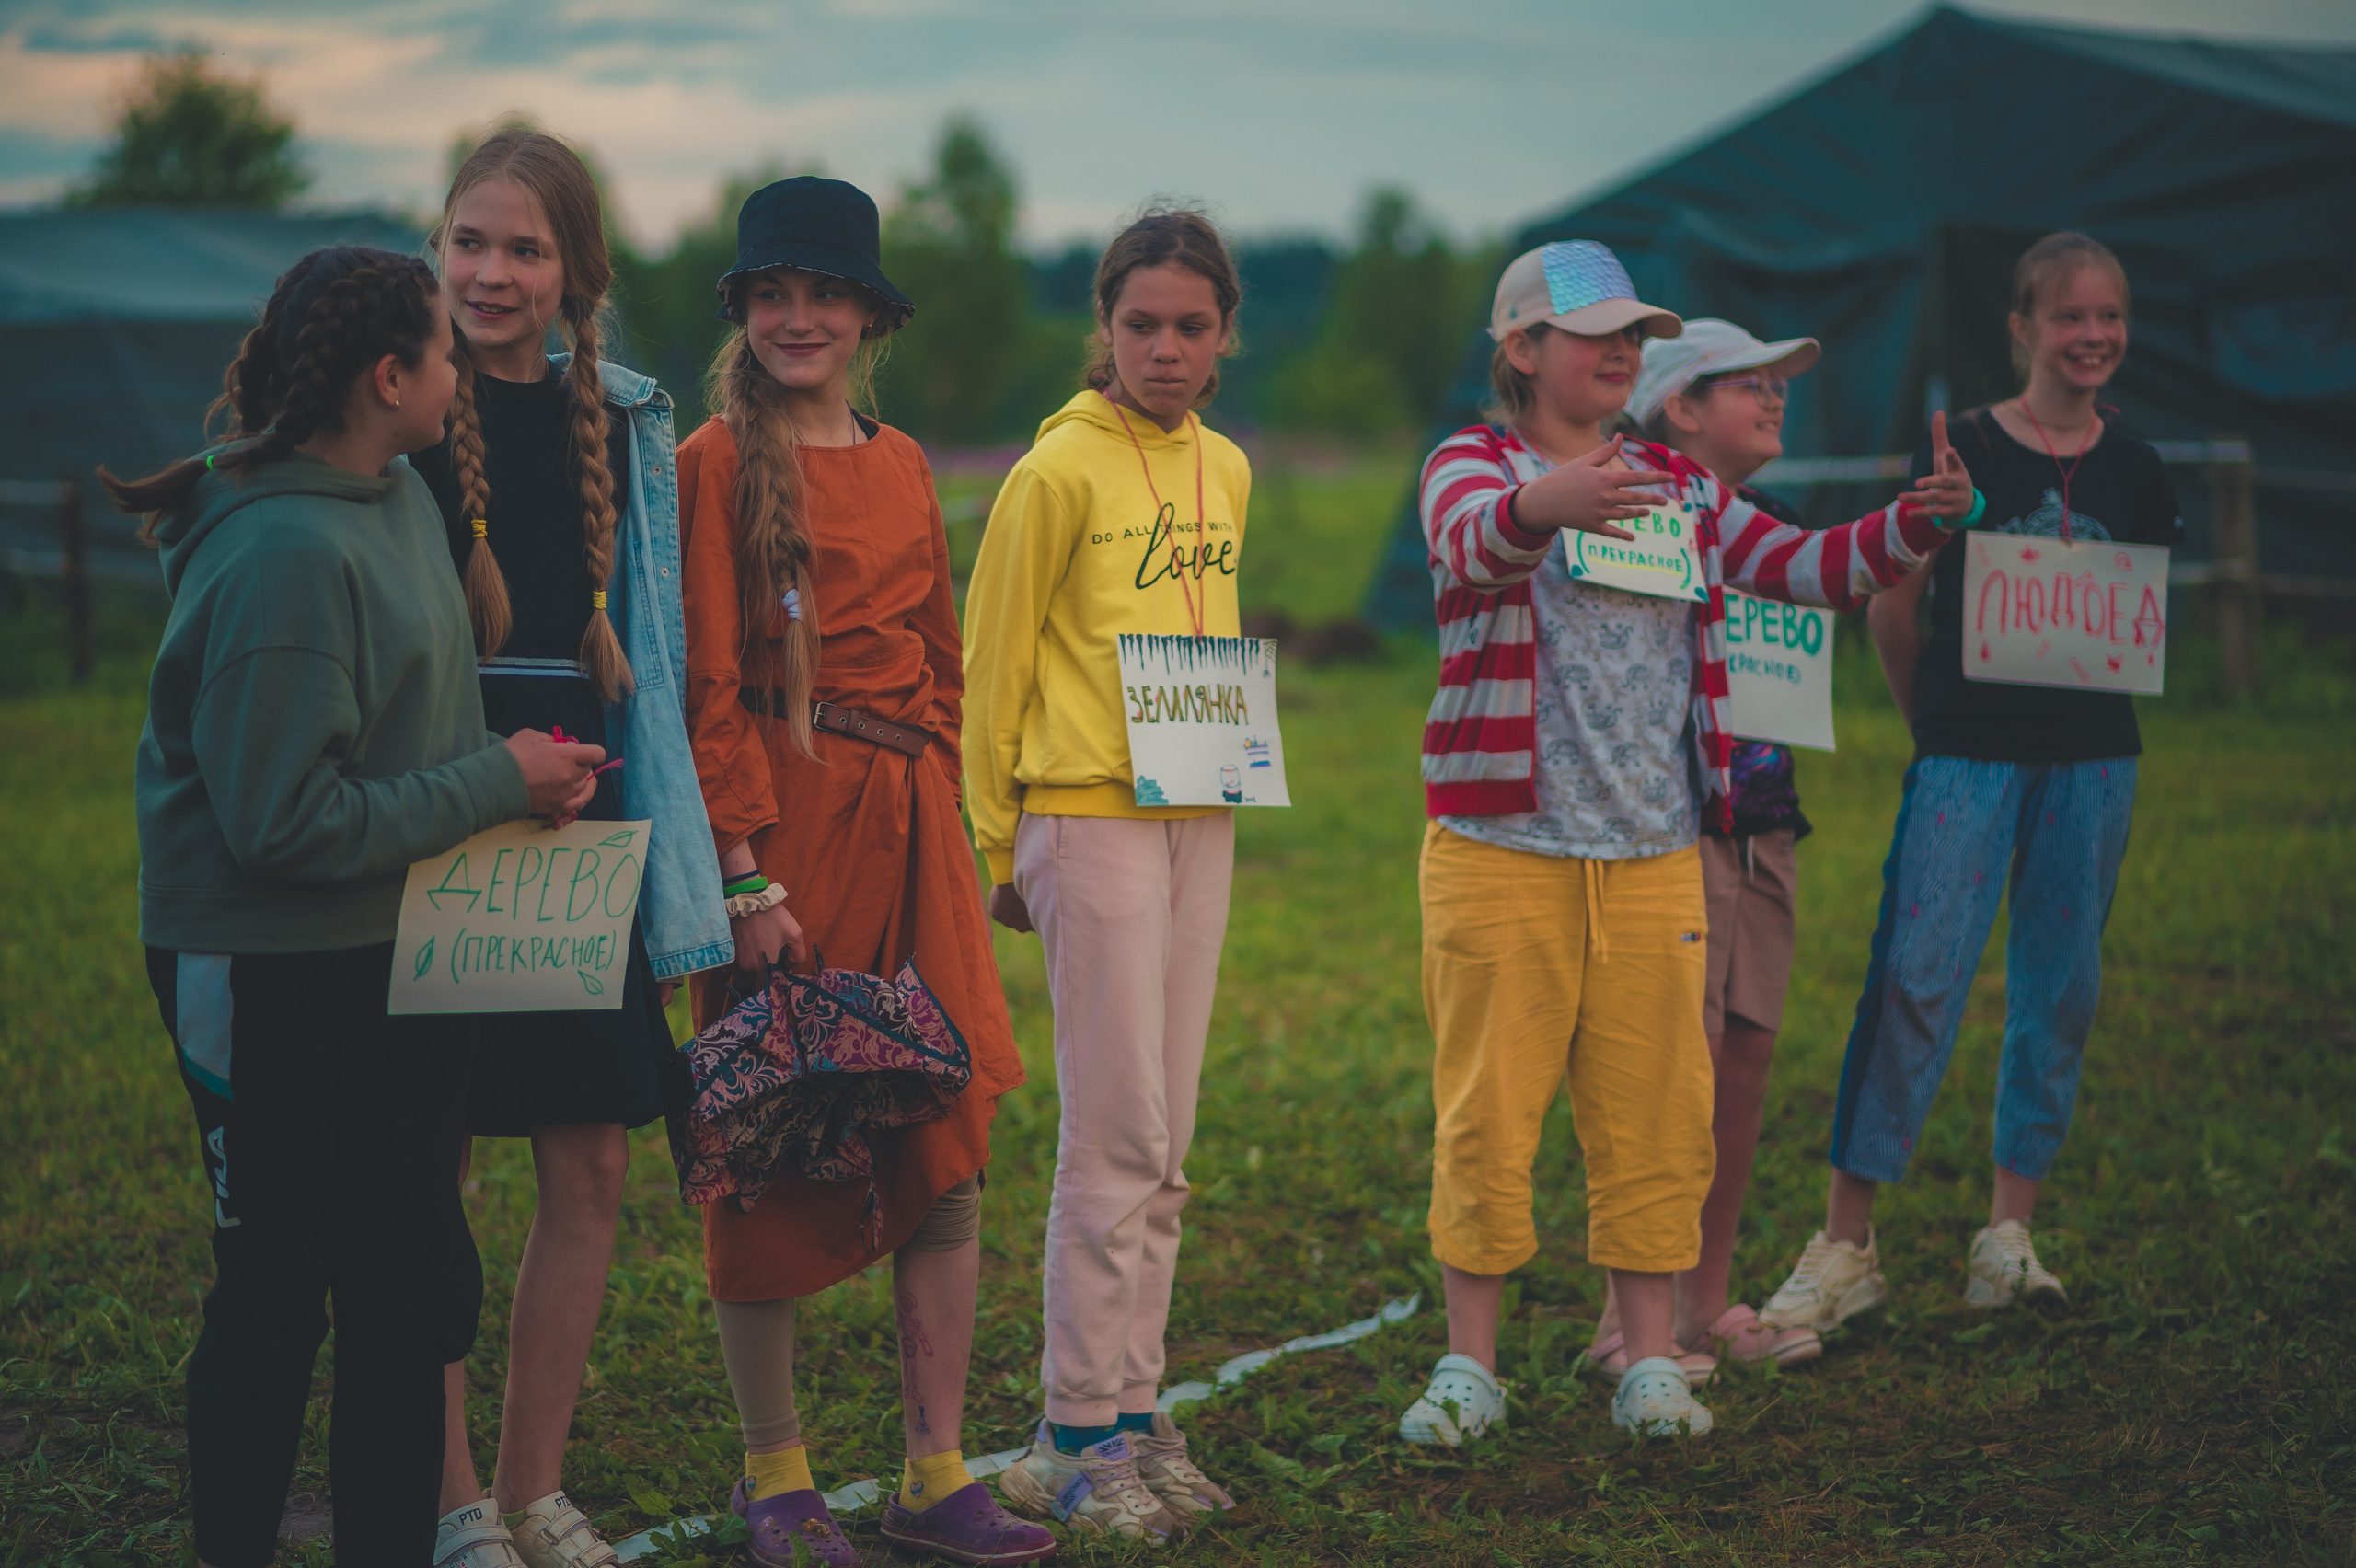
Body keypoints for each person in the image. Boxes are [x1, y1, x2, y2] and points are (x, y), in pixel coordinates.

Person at [1399, 241, 1979, 1447]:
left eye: (1634, 333)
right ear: (1521, 350)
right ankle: (1470, 1368)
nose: (1623, 350)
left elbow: (1807, 569)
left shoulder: (1681, 482)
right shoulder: (1471, 462)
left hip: (1659, 853)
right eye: (1596, 332)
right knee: (1487, 1115)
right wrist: (1541, 505)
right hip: (1500, 849)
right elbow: (1466, 543)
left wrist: (1912, 530)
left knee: (1659, 1113)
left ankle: (1652, 1360)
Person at [110, 245, 605, 1568]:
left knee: (407, 1288)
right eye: (445, 351)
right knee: (277, 1293)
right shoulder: (278, 554)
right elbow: (284, 826)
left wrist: (509, 793)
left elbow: (403, 748)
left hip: (405, 955)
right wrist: (491, 779)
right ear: (391, 376)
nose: (463, 371)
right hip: (274, 971)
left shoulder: (388, 491)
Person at [676, 176, 1049, 1568]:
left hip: (910, 838)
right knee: (768, 1137)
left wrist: (944, 817)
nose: (797, 316)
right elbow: (707, 680)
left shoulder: (900, 462)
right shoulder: (713, 462)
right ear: (743, 310)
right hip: (783, 843)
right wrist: (743, 872)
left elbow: (940, 664)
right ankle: (777, 1480)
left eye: (824, 293)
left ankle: (934, 1471)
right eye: (772, 292)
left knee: (942, 1143)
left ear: (869, 315)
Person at [409, 129, 733, 1568]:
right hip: (431, 815)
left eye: (525, 249)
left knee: (588, 1163)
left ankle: (538, 1486)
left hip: (585, 820)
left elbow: (652, 659)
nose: (492, 273)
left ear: (574, 273)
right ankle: (454, 1499)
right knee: (426, 1170)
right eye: (470, 242)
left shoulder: (625, 419)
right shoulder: (398, 410)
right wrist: (484, 777)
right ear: (437, 253)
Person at [1758, 233, 2180, 1335]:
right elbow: (1892, 606)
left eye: (2109, 318)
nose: (2091, 337)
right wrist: (1931, 732)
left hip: (2094, 766)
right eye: (2068, 317)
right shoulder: (1964, 454)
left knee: (2062, 987)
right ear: (2021, 328)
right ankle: (1847, 1241)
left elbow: (2135, 615)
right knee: (1917, 974)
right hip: (1966, 758)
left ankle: (2007, 1235)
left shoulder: (2139, 471)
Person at [961, 208, 1253, 1540]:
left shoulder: (1230, 471)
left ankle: (1132, 1418)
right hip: (1087, 814)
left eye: (1192, 325)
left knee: (1171, 1139)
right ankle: (1073, 1436)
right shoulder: (1054, 473)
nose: (1167, 349)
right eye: (1142, 323)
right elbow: (992, 664)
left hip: (1204, 805)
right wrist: (991, 845)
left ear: (1225, 333)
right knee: (1115, 1132)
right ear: (1106, 325)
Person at [1573, 319, 1834, 1378]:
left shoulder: (1774, 527)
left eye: (1780, 386)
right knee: (1664, 1073)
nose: (1773, 399)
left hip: (1766, 818)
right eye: (1746, 385)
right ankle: (1619, 1327)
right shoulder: (1631, 515)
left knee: (1744, 1060)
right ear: (1678, 406)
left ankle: (1705, 1303)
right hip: (1673, 827)